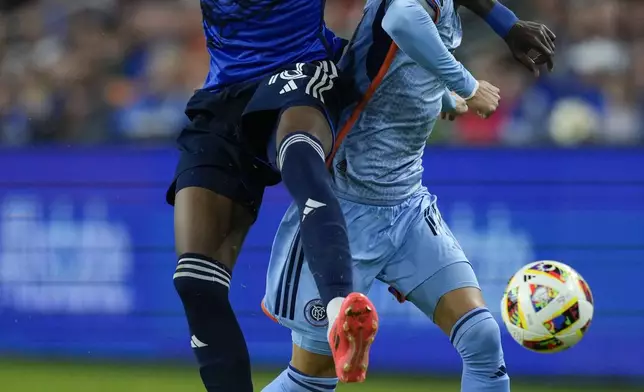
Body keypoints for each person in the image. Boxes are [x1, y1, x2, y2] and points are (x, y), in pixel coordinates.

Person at [260, 0, 556, 391]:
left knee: (482, 336)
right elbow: (402, 18)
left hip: (408, 205)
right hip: (345, 209)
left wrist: (441, 97)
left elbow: (391, 62)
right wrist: (466, 84)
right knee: (313, 377)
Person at [166, 1, 380, 391]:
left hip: (298, 70)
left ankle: (340, 311)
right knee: (194, 281)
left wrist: (500, 22)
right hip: (223, 96)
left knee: (299, 153)